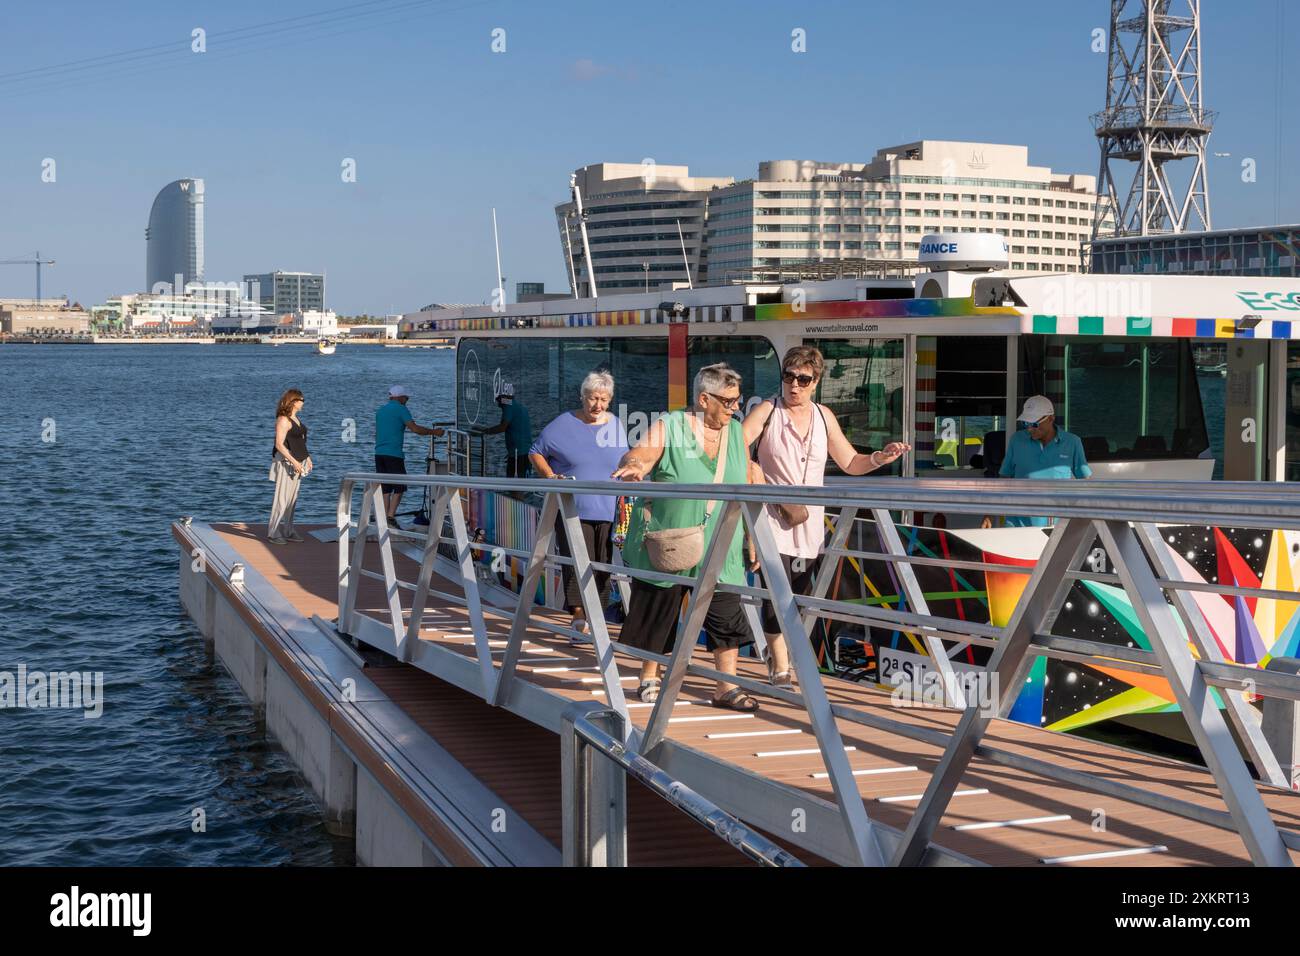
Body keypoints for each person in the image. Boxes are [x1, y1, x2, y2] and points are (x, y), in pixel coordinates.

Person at [743, 346, 910, 686]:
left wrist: (879, 457)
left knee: (800, 600)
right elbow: (736, 447)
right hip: (770, 520)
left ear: (816, 382)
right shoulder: (768, 411)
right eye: (789, 377)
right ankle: (780, 665)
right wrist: (753, 472)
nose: (794, 385)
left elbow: (850, 462)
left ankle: (784, 654)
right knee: (778, 594)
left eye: (803, 379)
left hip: (809, 526)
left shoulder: (823, 416)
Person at [612, 363, 765, 712]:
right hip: (672, 536)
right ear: (703, 398)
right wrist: (634, 464)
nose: (734, 407)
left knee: (726, 611)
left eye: (737, 400)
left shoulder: (737, 434)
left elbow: (748, 484)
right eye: (727, 401)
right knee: (660, 604)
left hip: (721, 541)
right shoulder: (673, 425)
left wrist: (752, 537)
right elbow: (644, 453)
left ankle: (726, 687)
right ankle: (649, 676)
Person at [528, 371, 628, 644]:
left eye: (604, 399)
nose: (598, 405)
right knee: (577, 562)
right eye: (593, 398)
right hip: (573, 507)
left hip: (608, 508)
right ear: (582, 397)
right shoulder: (563, 423)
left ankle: (598, 618)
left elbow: (624, 459)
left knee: (603, 565)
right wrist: (550, 477)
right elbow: (535, 451)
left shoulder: (616, 424)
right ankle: (578, 618)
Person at [983, 394, 1091, 528]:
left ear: (1051, 418)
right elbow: (1004, 478)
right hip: (1017, 524)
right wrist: (988, 513)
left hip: (1058, 526)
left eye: (1034, 424)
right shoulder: (1016, 440)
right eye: (1026, 423)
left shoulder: (1073, 442)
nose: (1029, 428)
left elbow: (1086, 483)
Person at [374, 385, 443, 529]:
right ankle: (391, 517)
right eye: (406, 397)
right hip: (394, 454)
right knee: (400, 487)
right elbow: (415, 428)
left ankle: (383, 520)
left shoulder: (381, 411)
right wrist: (434, 432)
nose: (407, 399)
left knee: (386, 488)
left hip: (379, 453)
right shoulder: (401, 409)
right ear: (399, 397)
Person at [269, 388, 311, 545]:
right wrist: (293, 461)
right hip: (286, 462)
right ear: (293, 401)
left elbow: (300, 441)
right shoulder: (283, 420)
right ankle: (273, 532)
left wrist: (308, 458)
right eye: (301, 400)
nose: (303, 403)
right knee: (282, 498)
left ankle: (288, 530)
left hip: (298, 462)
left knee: (292, 499)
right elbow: (279, 444)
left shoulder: (296, 420)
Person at [478, 383, 532, 477]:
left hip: (518, 452)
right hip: (523, 451)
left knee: (514, 483)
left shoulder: (508, 406)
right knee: (522, 481)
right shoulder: (519, 406)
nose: (497, 402)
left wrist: (485, 431)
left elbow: (503, 427)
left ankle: (515, 492)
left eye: (498, 398)